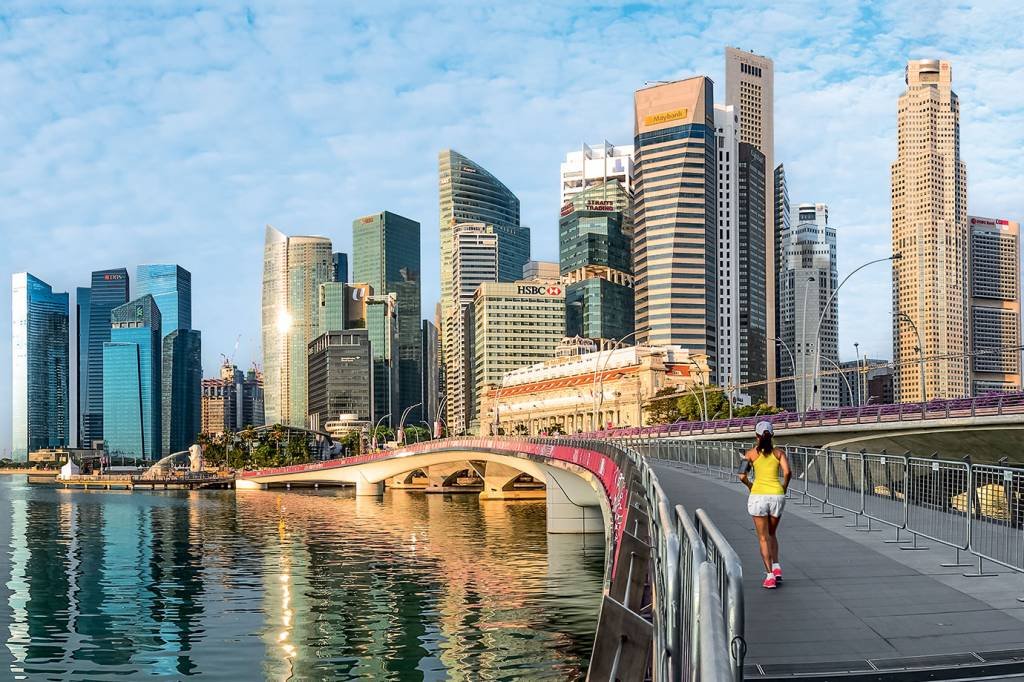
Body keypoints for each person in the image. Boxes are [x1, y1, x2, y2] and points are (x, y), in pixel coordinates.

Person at [738, 421, 791, 589]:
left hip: (758, 496)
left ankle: (769, 577)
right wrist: (783, 487)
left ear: (757, 436)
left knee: (763, 537)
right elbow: (788, 472)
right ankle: (777, 567)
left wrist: (750, 486)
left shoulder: (750, 454)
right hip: (777, 496)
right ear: (772, 435)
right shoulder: (779, 453)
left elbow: (742, 476)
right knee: (772, 533)